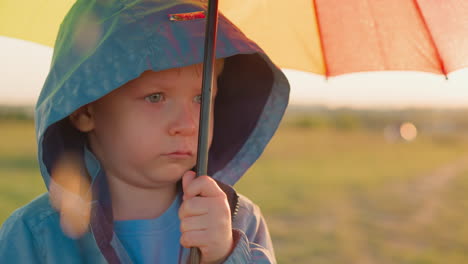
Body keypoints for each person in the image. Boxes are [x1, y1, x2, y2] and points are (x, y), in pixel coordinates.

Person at [0, 0, 289, 263]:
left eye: (201, 98)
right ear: (84, 110)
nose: (187, 125)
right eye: (156, 97)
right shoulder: (34, 237)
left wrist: (225, 254)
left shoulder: (240, 222)